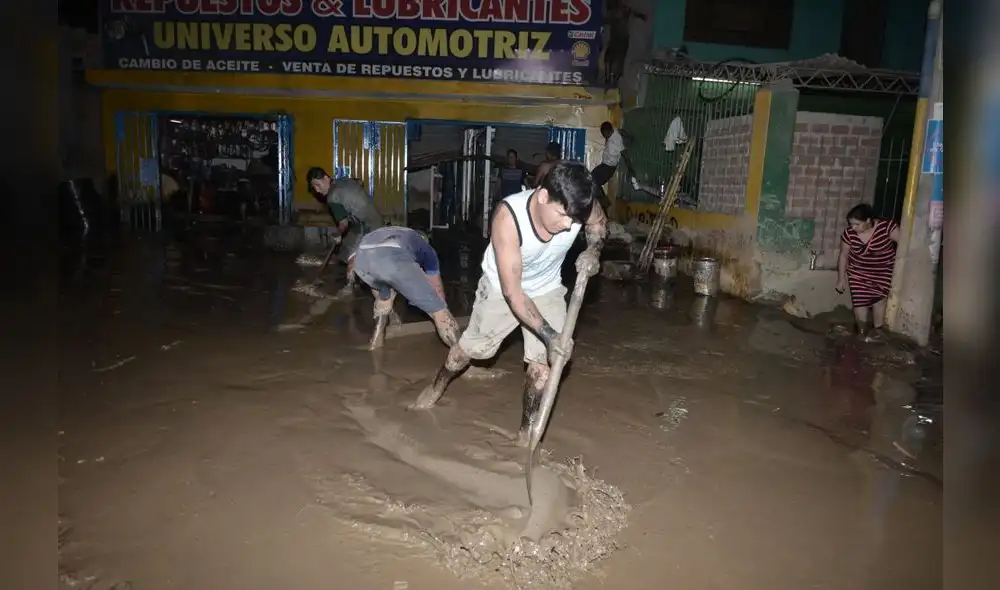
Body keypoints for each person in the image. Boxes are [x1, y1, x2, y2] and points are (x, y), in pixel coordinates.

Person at [410, 160, 607, 446]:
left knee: (542, 369)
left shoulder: (579, 205)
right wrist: (551, 335)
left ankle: (526, 435)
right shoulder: (509, 218)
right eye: (563, 215)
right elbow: (514, 294)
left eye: (574, 219)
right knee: (468, 352)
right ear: (543, 196)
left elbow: (599, 225)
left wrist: (593, 250)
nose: (568, 226)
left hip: (547, 288)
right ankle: (437, 385)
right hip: (504, 288)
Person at [352, 226, 461, 351]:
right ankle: (462, 356)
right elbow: (437, 289)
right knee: (439, 311)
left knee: (384, 298)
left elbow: (388, 274)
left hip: (361, 261)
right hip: (391, 255)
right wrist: (439, 306)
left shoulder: (396, 232)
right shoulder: (425, 248)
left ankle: (376, 340)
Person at [307, 167, 385, 294]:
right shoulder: (344, 180)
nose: (317, 189)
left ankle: (349, 287)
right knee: (350, 246)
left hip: (366, 225)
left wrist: (338, 234)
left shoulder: (332, 197)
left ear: (326, 178)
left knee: (352, 256)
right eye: (314, 187)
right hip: (376, 220)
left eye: (317, 184)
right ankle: (362, 279)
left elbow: (343, 223)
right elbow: (359, 182)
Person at [836, 203, 900, 337]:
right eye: (851, 224)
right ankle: (861, 332)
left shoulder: (886, 227)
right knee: (859, 302)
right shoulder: (849, 234)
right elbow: (843, 255)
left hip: (883, 272)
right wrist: (841, 278)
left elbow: (905, 245)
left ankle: (878, 331)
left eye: (857, 224)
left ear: (868, 221)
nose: (853, 228)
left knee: (879, 301)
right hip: (858, 272)